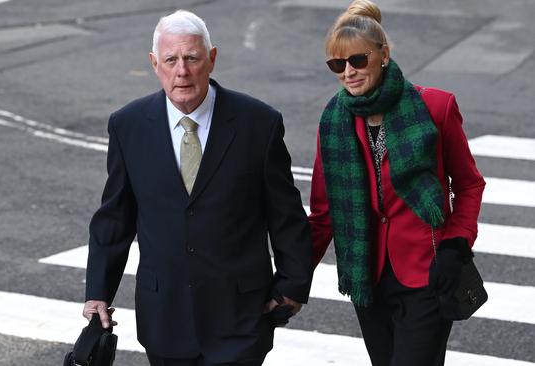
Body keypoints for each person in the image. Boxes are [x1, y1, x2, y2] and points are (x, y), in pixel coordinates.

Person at [83, 9, 313, 366]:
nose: (182, 71)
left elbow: (286, 214)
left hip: (241, 318)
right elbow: (115, 216)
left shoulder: (259, 124)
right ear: (154, 63)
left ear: (212, 59)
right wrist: (98, 291)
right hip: (164, 318)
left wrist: (292, 286)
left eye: (192, 57)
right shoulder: (128, 126)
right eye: (171, 59)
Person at [308, 1, 485, 365]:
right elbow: (324, 213)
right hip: (366, 278)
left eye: (358, 60)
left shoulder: (435, 107)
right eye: (337, 65)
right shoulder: (333, 121)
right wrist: (292, 278)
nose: (348, 73)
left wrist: (455, 246)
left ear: (383, 55)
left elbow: (469, 185)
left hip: (426, 273)